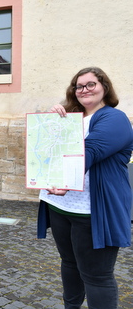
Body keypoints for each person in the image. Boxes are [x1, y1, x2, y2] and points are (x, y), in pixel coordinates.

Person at [37, 66, 133, 309]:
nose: (84, 90)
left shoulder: (114, 118)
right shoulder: (70, 117)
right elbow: (45, 149)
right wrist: (49, 121)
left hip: (93, 212)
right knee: (69, 263)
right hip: (60, 205)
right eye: (78, 86)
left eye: (91, 84)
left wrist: (67, 179)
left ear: (104, 87)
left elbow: (91, 150)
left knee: (97, 277)